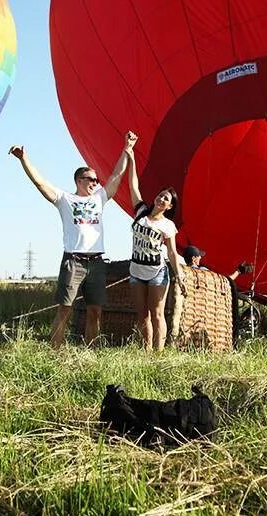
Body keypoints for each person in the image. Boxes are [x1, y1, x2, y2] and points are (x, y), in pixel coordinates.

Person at [10, 132, 136, 348]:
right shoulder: (64, 199)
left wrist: (127, 148)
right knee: (65, 309)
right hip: (73, 261)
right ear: (79, 180)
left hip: (96, 262)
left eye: (97, 180)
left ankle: (91, 350)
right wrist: (24, 159)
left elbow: (116, 175)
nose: (96, 183)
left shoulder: (99, 198)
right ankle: (55, 352)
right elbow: (40, 183)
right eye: (92, 179)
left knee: (95, 310)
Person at [125, 144, 186, 352]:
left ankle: (158, 353)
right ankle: (146, 351)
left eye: (166, 199)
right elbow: (133, 186)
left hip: (156, 273)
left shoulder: (168, 226)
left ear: (169, 207)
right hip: (136, 271)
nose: (161, 199)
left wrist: (179, 276)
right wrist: (131, 157)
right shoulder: (141, 211)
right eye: (160, 196)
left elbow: (171, 252)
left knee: (157, 313)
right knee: (142, 314)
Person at [182, 245, 252, 281]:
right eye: (199, 256)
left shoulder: (183, 272)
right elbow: (225, 280)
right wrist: (239, 271)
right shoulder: (202, 271)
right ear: (193, 258)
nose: (200, 257)